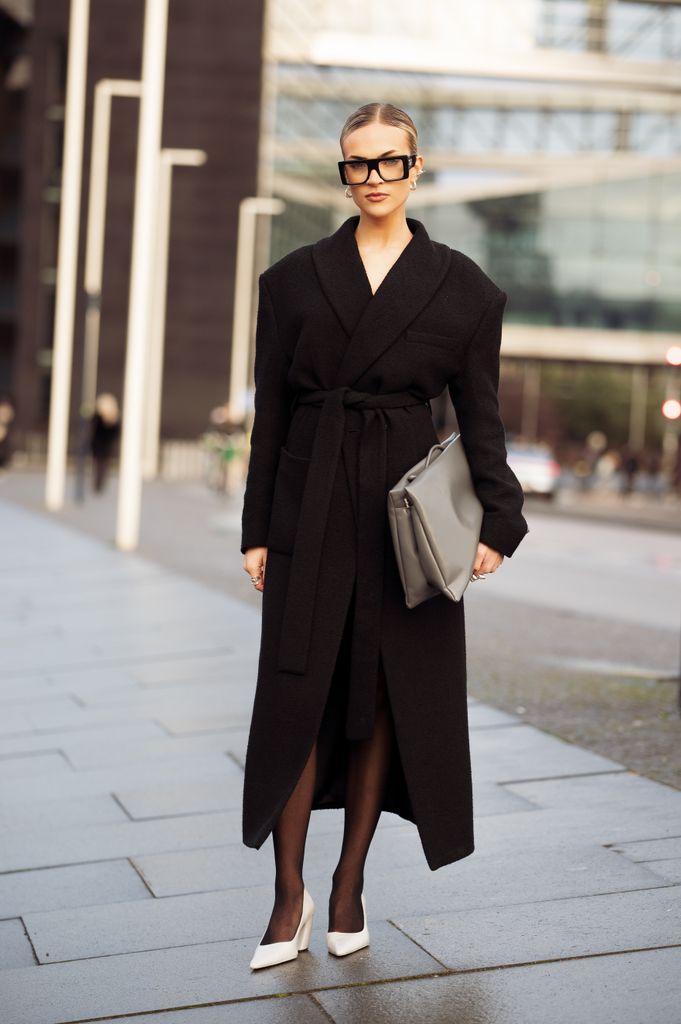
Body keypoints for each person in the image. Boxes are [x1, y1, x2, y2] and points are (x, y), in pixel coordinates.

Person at [240, 102, 528, 970]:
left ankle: (347, 885)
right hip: (311, 500)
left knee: (379, 701)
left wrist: (498, 521)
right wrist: (259, 528)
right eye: (355, 165)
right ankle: (287, 896)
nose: (372, 179)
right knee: (300, 695)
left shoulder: (466, 290)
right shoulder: (291, 281)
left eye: (388, 162)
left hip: (409, 523)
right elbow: (271, 414)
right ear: (342, 172)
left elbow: (481, 417)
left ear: (416, 166)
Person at [90, 393, 120, 493]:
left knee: (102, 466)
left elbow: (114, 432)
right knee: (99, 465)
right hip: (99, 446)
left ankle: (99, 485)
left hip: (104, 447)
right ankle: (97, 485)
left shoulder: (111, 422)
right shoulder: (98, 419)